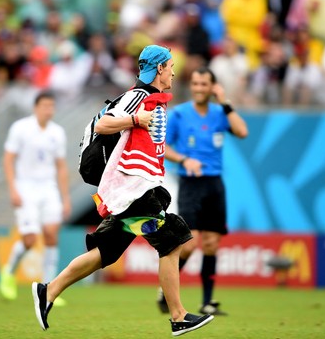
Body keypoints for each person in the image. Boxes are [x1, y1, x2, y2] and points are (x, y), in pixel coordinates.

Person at [31, 45, 215, 336]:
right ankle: (178, 315)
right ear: (159, 69)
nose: (173, 72)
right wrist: (135, 120)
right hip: (132, 191)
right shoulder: (138, 96)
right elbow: (104, 124)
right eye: (170, 67)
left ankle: (48, 290)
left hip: (134, 190)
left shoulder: (154, 100)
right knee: (173, 239)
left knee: (106, 251)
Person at [157, 67, 248, 316]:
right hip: (190, 183)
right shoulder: (180, 114)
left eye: (204, 84)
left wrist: (226, 102)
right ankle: (166, 289)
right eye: (195, 84)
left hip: (214, 183)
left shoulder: (220, 113)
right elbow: (163, 146)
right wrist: (185, 159)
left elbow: (242, 132)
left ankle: (207, 302)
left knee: (211, 243)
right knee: (190, 242)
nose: (198, 88)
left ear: (212, 87)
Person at [0, 91, 71, 304]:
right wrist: (13, 188)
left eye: (52, 106)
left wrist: (65, 197)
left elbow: (60, 167)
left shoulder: (57, 132)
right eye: (45, 105)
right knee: (30, 239)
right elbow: (8, 159)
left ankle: (48, 288)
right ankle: (8, 271)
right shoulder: (21, 128)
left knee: (51, 234)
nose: (49, 110)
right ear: (36, 107)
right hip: (26, 188)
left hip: (48, 188)